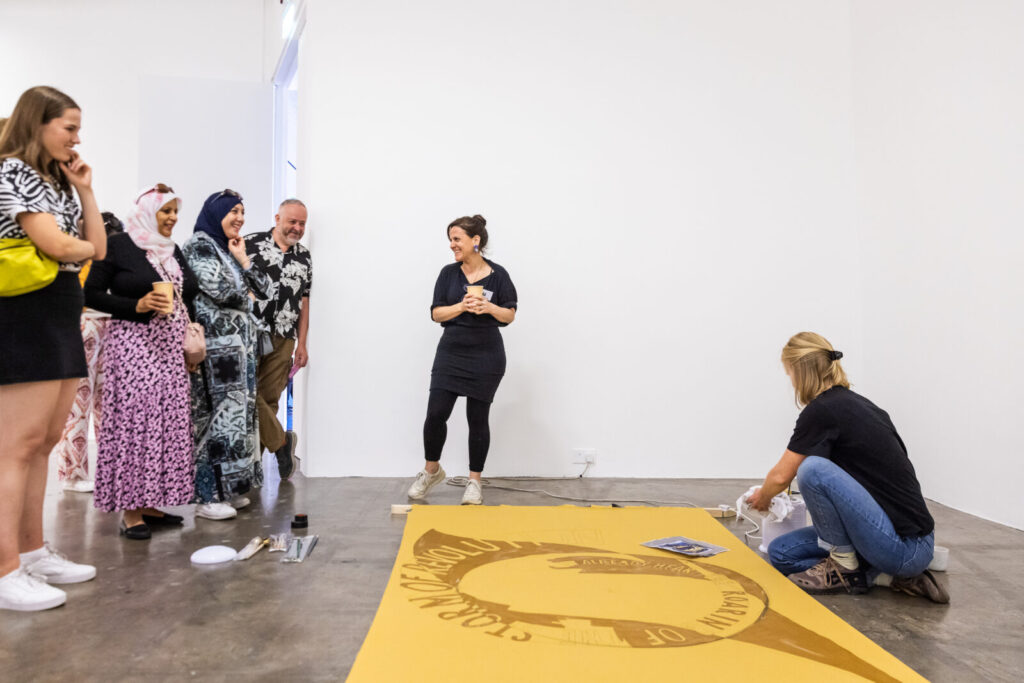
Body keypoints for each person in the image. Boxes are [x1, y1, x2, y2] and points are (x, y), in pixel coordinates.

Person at [0, 86, 105, 611]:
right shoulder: (11, 172)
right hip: (23, 309)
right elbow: (61, 246)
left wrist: (85, 190)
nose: (77, 137)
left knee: (44, 442)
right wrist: (74, 247)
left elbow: (97, 247)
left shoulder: (59, 181)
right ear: (37, 123)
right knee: (15, 446)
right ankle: (4, 569)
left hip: (62, 300)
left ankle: (32, 552)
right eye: (69, 126)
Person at [748, 332, 949, 603]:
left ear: (800, 371)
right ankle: (885, 578)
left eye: (790, 375)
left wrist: (764, 497)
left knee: (812, 469)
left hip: (905, 547)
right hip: (889, 534)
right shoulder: (858, 406)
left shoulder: (822, 411)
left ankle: (846, 565)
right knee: (782, 553)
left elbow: (782, 475)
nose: (791, 383)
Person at [84, 184, 199, 539]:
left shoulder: (171, 250)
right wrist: (137, 305)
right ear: (148, 211)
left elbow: (186, 295)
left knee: (166, 424)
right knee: (135, 425)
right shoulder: (119, 245)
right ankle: (131, 511)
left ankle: (152, 503)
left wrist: (191, 344)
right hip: (134, 347)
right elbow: (89, 293)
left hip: (169, 351)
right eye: (166, 211)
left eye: (175, 212)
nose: (172, 218)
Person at [407, 215, 518, 506]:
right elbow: (436, 314)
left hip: (487, 356)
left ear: (475, 241)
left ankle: (474, 481)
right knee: (435, 414)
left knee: (477, 419)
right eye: (451, 239)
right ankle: (432, 470)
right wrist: (461, 306)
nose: (452, 244)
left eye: (457, 239)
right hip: (451, 353)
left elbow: (509, 315)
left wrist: (490, 306)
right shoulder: (448, 274)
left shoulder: (499, 275)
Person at [184, 190, 271, 520]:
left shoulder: (226, 249)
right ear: (216, 212)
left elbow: (264, 290)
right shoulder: (199, 246)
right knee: (216, 421)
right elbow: (225, 290)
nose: (240, 218)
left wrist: (244, 259)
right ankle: (207, 496)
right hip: (217, 354)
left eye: (242, 212)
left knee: (238, 422)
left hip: (239, 354)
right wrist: (242, 283)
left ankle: (229, 489)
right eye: (232, 211)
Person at [53, 211, 123, 493]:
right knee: (78, 401)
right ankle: (72, 474)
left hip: (109, 322)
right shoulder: (81, 254)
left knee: (106, 403)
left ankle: (108, 470)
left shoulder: (104, 257)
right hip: (84, 323)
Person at [244, 198, 312, 479]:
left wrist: (302, 342)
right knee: (248, 394)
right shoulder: (250, 244)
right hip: (250, 332)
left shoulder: (304, 256)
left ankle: (253, 466)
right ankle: (281, 442)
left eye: (301, 223)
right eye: (292, 222)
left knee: (270, 399)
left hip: (284, 337)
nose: (296, 228)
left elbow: (304, 302)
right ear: (277, 218)